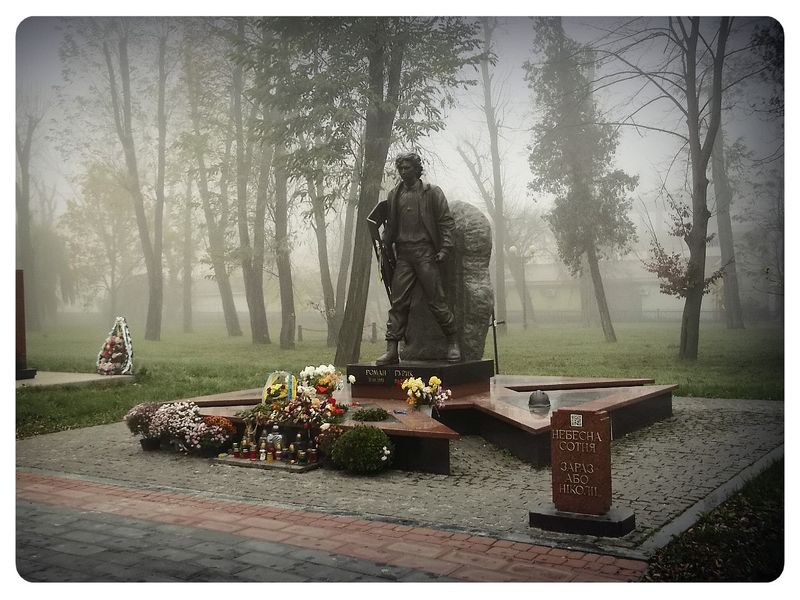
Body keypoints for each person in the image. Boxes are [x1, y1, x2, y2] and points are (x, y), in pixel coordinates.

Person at [375, 152, 461, 365]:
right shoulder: (395, 194)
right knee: (398, 303)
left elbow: (446, 223)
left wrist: (445, 249)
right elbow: (391, 227)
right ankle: (392, 348)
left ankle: (453, 341)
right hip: (403, 255)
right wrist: (384, 247)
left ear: (416, 168)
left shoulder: (432, 193)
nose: (403, 172)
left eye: (407, 168)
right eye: (401, 168)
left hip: (425, 253)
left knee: (436, 300)